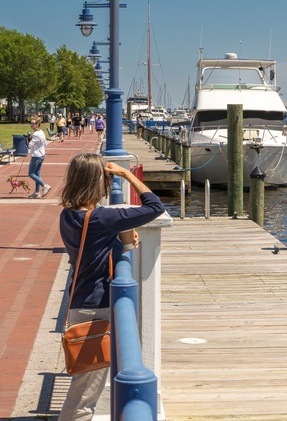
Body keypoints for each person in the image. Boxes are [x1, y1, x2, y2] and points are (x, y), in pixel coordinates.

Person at [58, 154, 165, 420]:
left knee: (84, 385)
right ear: (99, 182)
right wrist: (127, 175)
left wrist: (120, 238)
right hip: (96, 309)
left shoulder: (68, 215)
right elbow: (155, 206)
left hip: (80, 303)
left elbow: (95, 246)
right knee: (85, 394)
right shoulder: (101, 219)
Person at [27, 117, 51, 199]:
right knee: (37, 174)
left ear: (37, 124)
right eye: (30, 123)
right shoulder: (41, 132)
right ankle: (37, 192)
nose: (31, 125)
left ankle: (44, 186)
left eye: (32, 123)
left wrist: (28, 140)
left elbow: (30, 145)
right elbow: (45, 144)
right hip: (41, 155)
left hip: (36, 156)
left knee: (31, 174)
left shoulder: (35, 134)